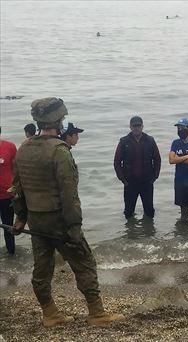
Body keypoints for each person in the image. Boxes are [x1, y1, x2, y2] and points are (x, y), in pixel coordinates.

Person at [10, 97, 124, 327]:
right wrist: (74, 227)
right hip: (59, 221)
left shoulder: (24, 148)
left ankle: (50, 313)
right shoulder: (60, 151)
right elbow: (69, 196)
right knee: (84, 262)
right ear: (58, 120)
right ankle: (96, 313)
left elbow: (18, 188)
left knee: (41, 269)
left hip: (36, 219)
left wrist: (20, 218)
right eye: (62, 119)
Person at [114, 116, 161, 219]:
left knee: (149, 211)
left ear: (142, 126)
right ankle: (130, 233)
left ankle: (149, 233)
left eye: (138, 126)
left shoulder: (150, 140)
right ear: (130, 127)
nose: (136, 128)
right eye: (134, 126)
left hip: (147, 182)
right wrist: (123, 179)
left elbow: (157, 159)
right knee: (128, 212)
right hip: (130, 183)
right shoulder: (124, 141)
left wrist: (155, 177)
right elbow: (117, 162)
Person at [0, 127, 17, 255]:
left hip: (7, 195)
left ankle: (11, 255)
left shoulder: (9, 147)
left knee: (8, 227)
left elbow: (16, 170)